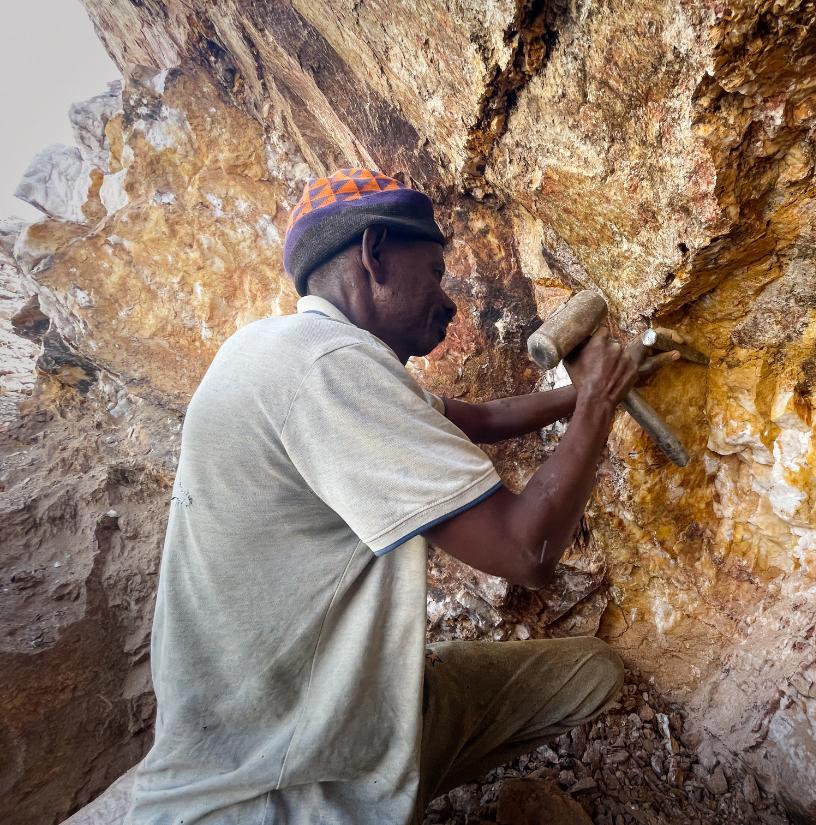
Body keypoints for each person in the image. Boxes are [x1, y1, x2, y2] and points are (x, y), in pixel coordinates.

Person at [125, 168, 678, 824]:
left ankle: (396, 741)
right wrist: (597, 407)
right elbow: (526, 548)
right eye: (436, 272)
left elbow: (486, 420)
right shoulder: (327, 370)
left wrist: (596, 382)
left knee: (593, 673)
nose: (448, 302)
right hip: (280, 776)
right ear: (375, 252)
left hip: (340, 712)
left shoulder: (292, 349)